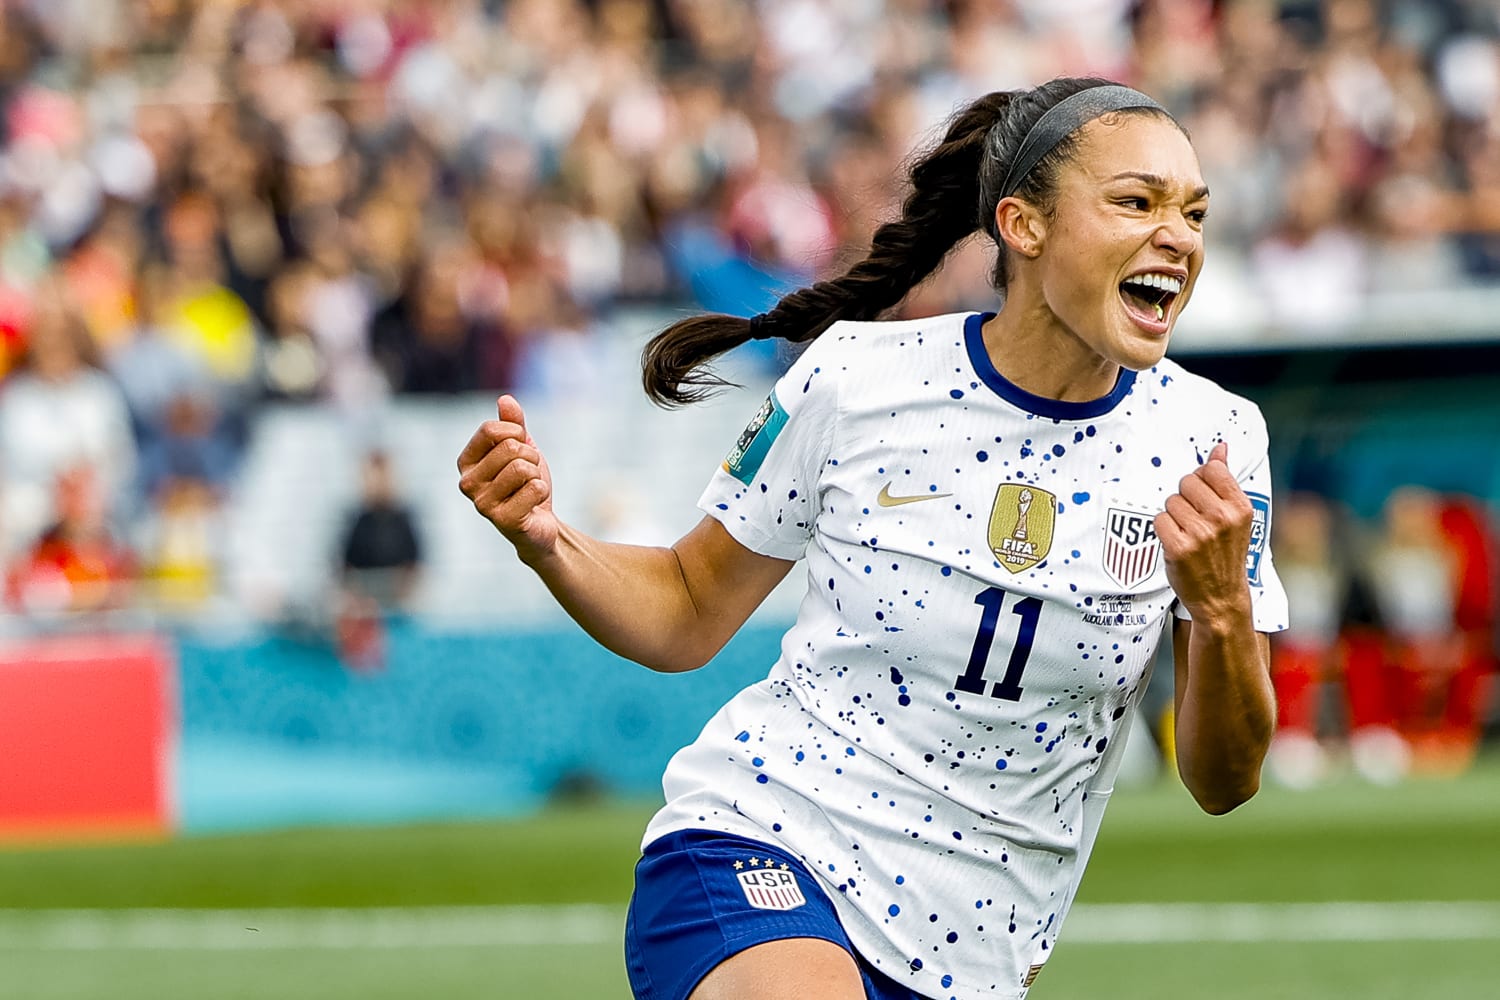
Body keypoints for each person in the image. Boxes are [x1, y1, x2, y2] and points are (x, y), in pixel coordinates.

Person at [458, 77, 1289, 1000]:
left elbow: (1224, 779)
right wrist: (546, 537)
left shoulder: (1216, 439)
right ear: (1024, 225)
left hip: (977, 954)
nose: (1178, 235)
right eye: (1137, 201)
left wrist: (1221, 613)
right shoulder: (858, 377)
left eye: (1195, 212)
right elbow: (687, 611)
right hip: (768, 837)